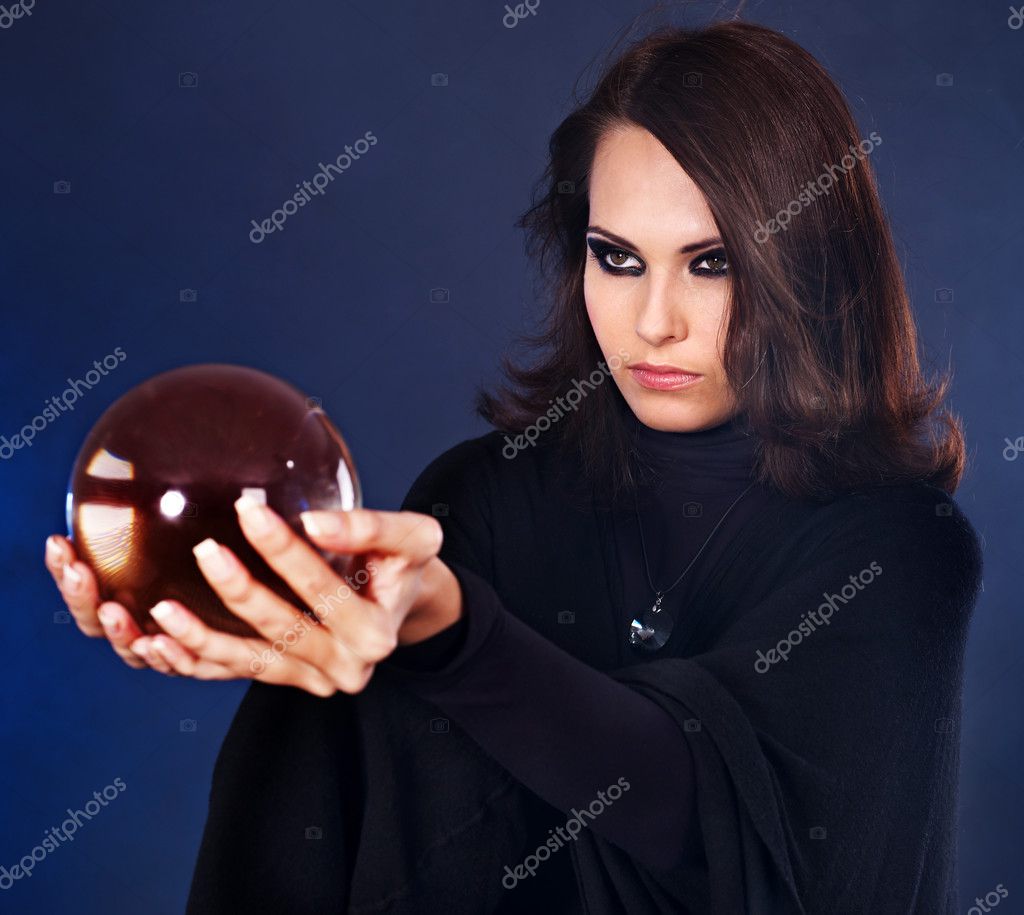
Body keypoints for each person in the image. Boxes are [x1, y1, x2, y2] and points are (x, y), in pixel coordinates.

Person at [44, 19, 983, 915]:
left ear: (811, 266)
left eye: (712, 264)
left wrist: (452, 633)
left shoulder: (898, 546)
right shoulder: (481, 498)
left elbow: (728, 826)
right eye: (617, 258)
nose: (655, 320)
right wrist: (225, 600)